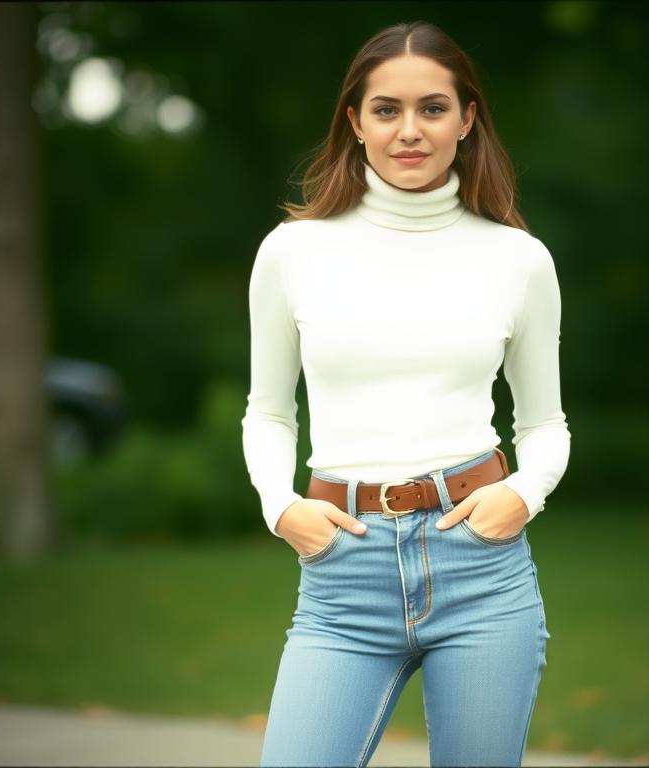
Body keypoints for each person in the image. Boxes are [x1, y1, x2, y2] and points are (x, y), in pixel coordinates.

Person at [241, 19, 570, 768]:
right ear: (355, 122)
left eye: (432, 108)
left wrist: (525, 493)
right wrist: (280, 506)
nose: (409, 130)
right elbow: (268, 411)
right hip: (341, 577)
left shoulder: (519, 259)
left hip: (481, 568)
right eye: (387, 109)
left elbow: (545, 423)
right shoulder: (293, 251)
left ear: (466, 119)